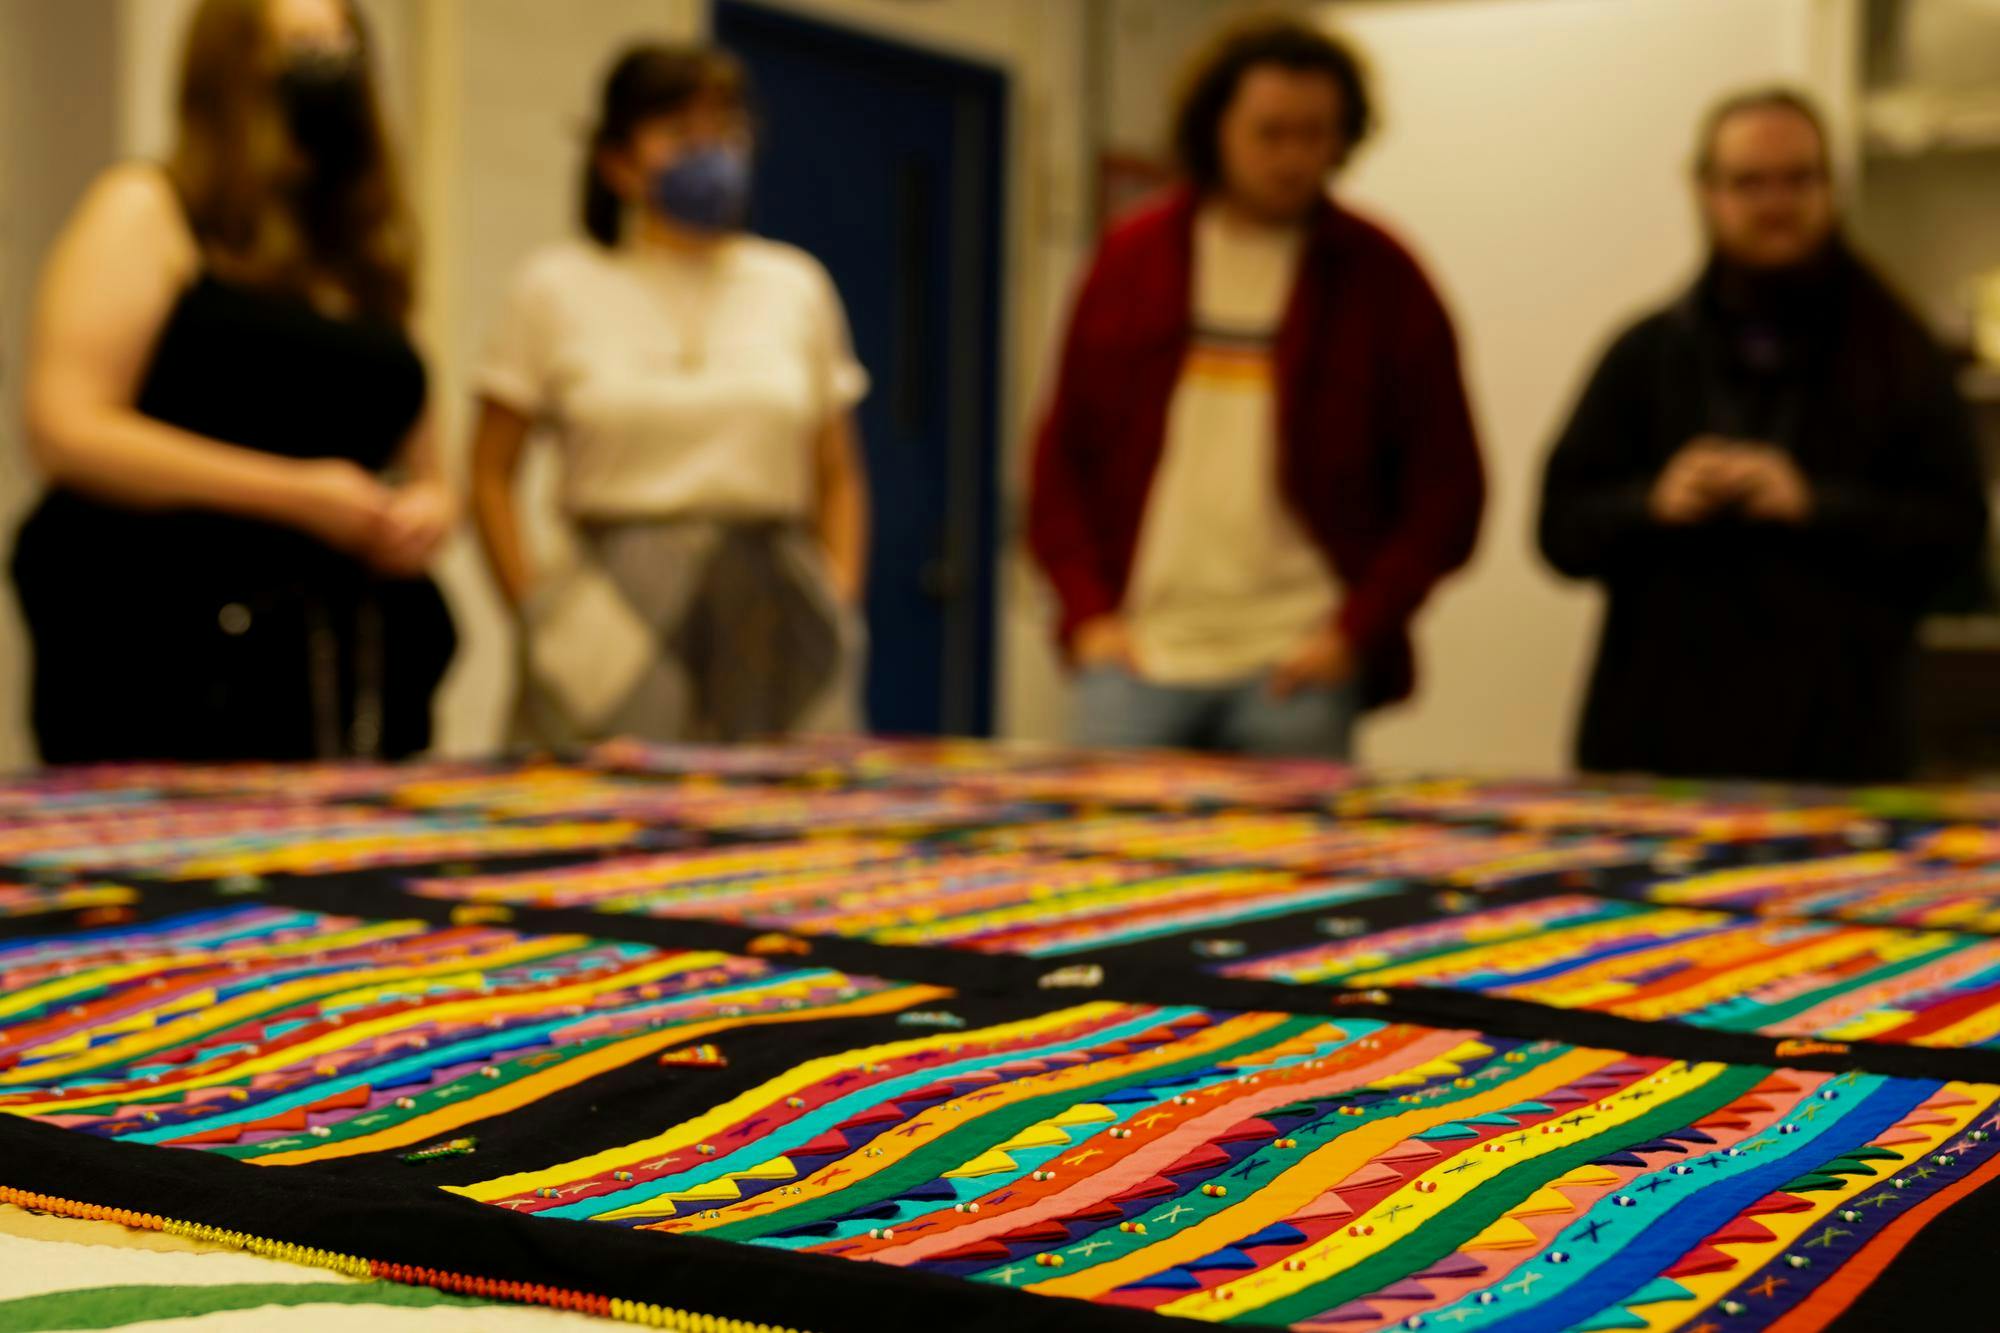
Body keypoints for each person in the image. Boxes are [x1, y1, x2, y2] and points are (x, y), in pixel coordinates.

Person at [12, 0, 456, 764]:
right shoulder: (148, 209)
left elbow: (421, 451)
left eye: (338, 47)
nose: (325, 70)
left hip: (348, 664)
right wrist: (295, 493)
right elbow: (66, 425)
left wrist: (427, 507)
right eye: (297, 48)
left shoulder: (361, 243)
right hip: (165, 646)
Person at [1028, 16, 1484, 760]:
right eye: (1271, 133)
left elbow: (1449, 491)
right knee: (1106, 867)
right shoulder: (1130, 259)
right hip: (1136, 656)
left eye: (1316, 135)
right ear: (1216, 130)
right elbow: (1059, 461)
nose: (1295, 158)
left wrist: (1354, 630)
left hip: (1296, 664)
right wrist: (1088, 617)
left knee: (1309, 874)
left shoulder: (1384, 276)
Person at [1538, 88, 1988, 784]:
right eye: (1750, 182)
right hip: (1655, 752)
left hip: (1841, 756)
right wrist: (1652, 503)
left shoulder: (1903, 355)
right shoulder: (1646, 352)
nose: (1775, 202)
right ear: (1706, 192)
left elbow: (1960, 547)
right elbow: (1557, 530)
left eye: (1798, 179)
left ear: (1830, 188)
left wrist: (1816, 505)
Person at [470, 44, 869, 746]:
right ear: (617, 160)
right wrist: (534, 612)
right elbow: (489, 471)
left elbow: (837, 474)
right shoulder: (555, 286)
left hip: (775, 606)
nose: (711, 150)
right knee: (592, 830)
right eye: (681, 133)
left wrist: (837, 601)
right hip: (606, 611)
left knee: (789, 825)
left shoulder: (795, 285)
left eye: (726, 130)